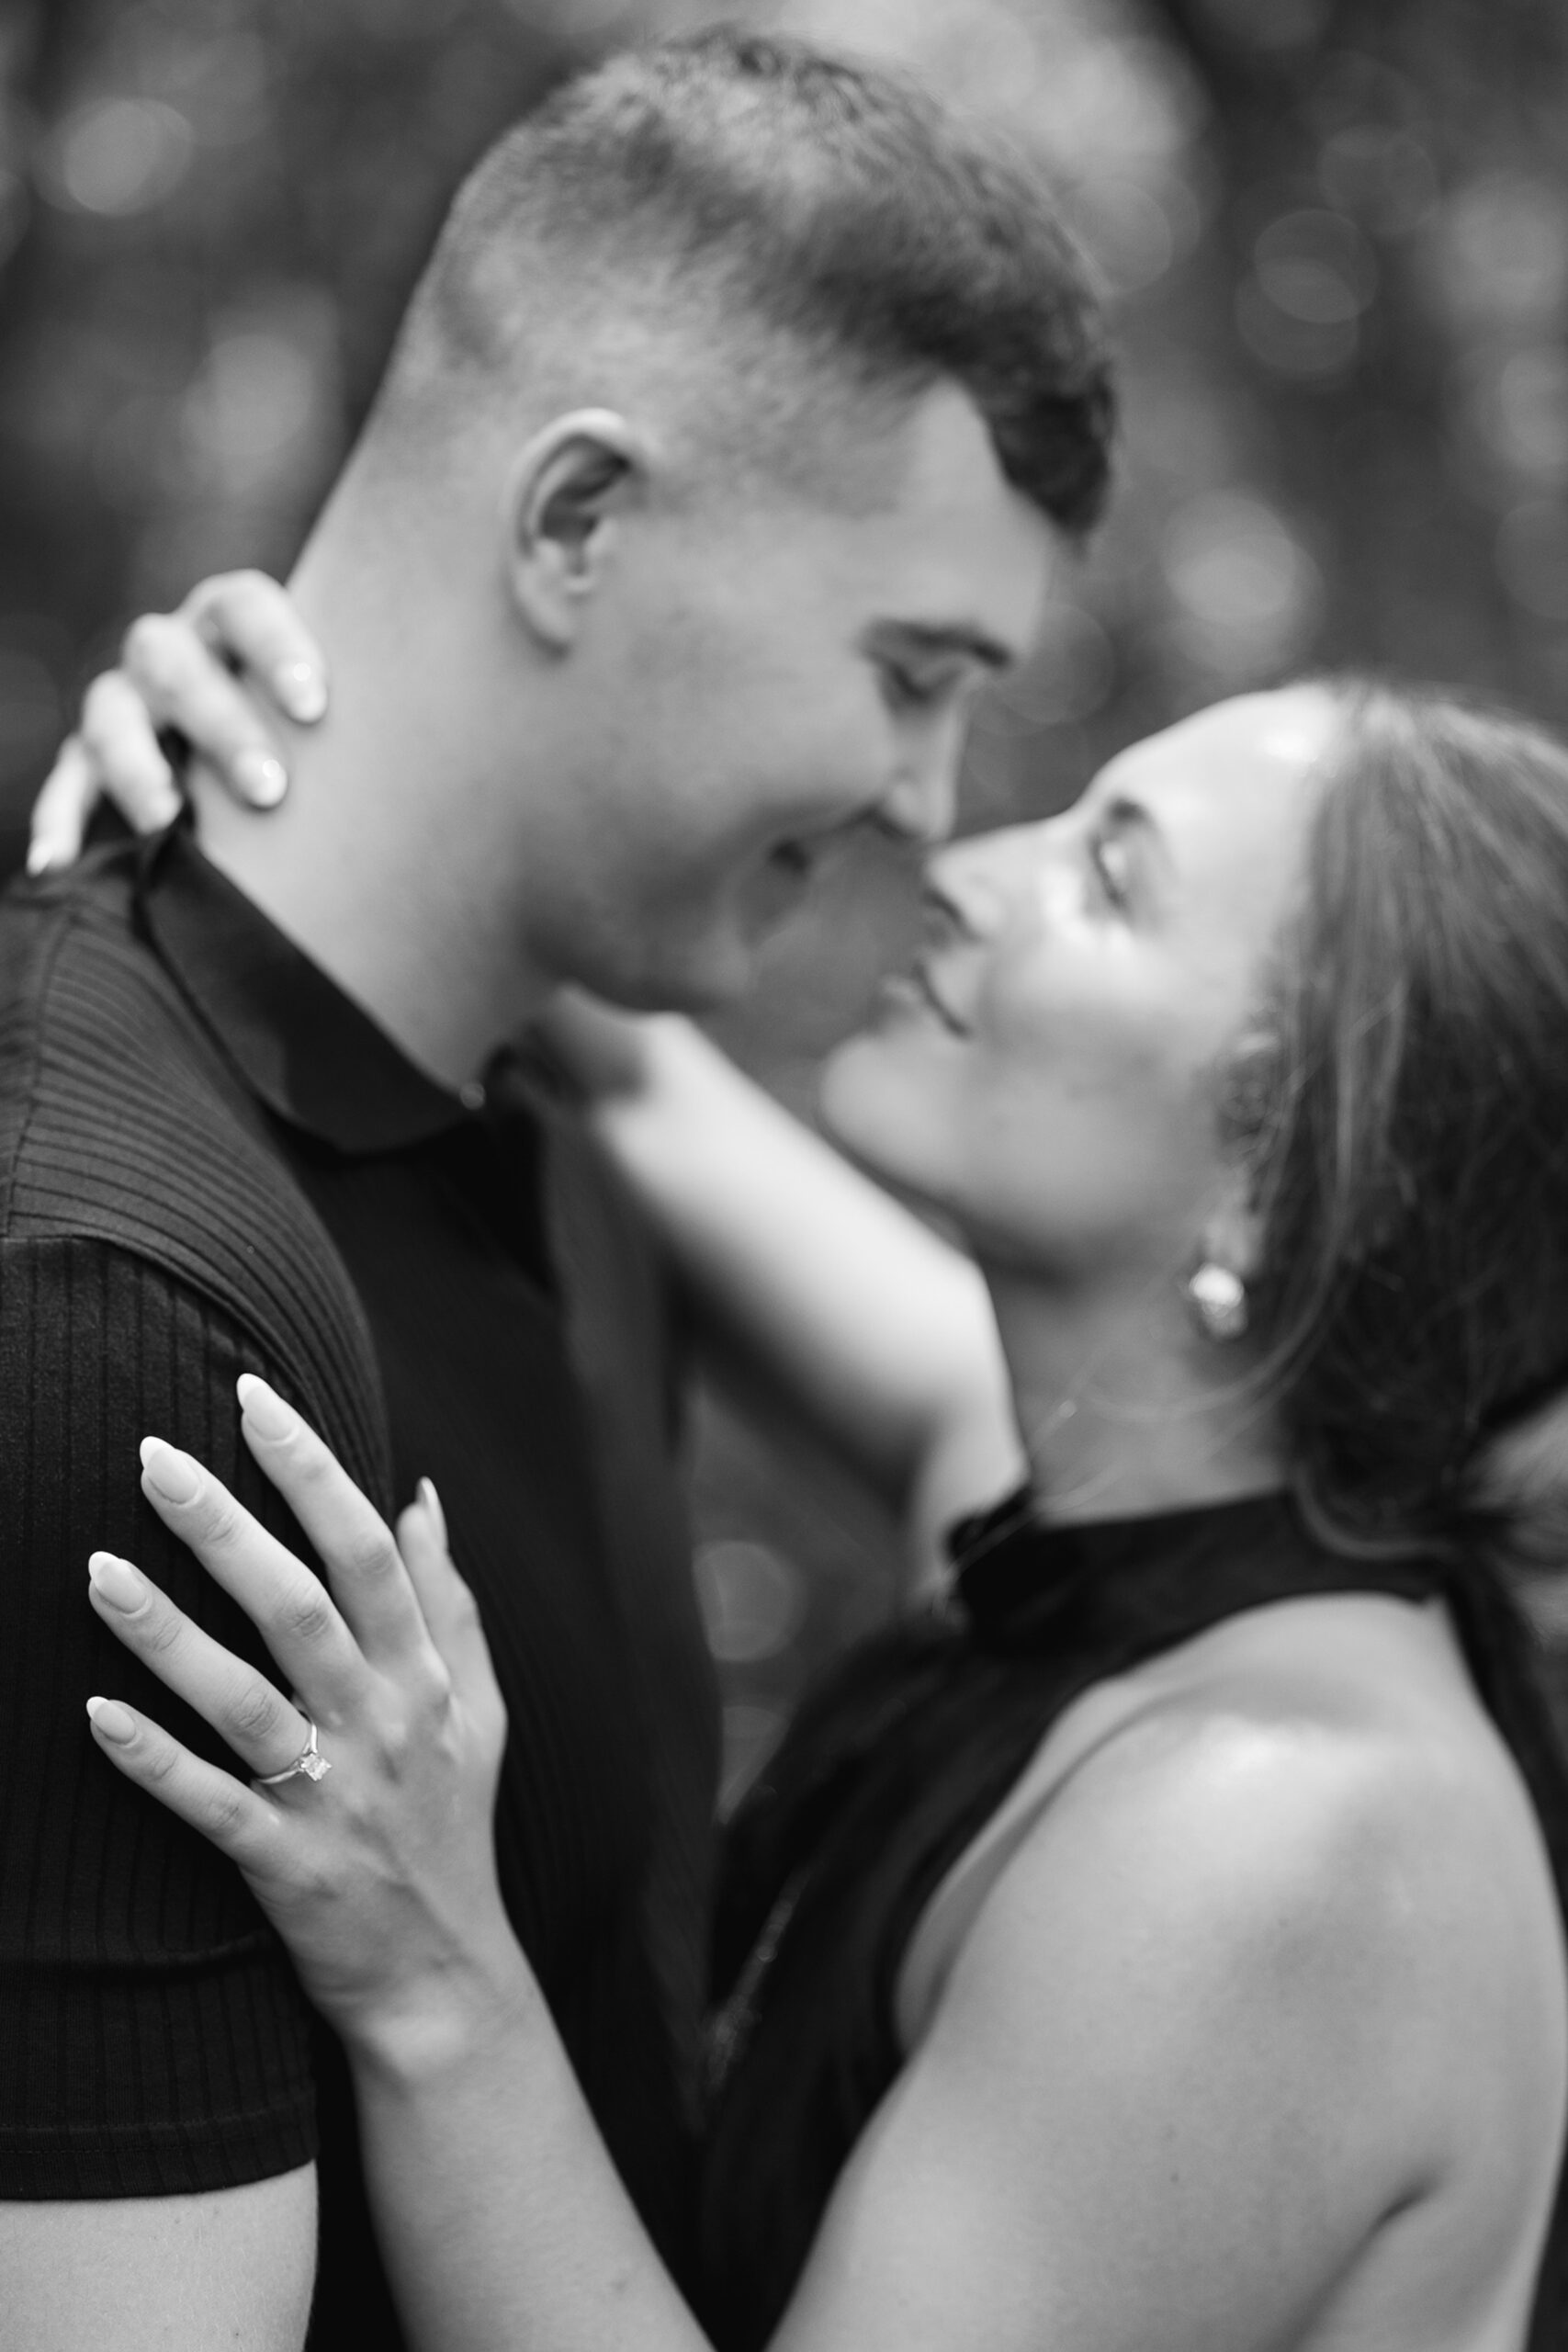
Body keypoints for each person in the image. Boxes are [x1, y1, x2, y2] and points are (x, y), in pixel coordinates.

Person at [0, 30, 1112, 2346]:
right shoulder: (115, 1306)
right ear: (575, 519)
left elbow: (1024, 1448)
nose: (926, 798)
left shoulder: (568, 1107)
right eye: (909, 671)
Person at [76, 679, 1568, 2350]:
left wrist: (434, 1979)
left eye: (1108, 880)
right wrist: (281, 727)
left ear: (1273, 1170)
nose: (970, 864)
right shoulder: (1106, 1549)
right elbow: (635, 1090)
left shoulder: (1278, 1837)